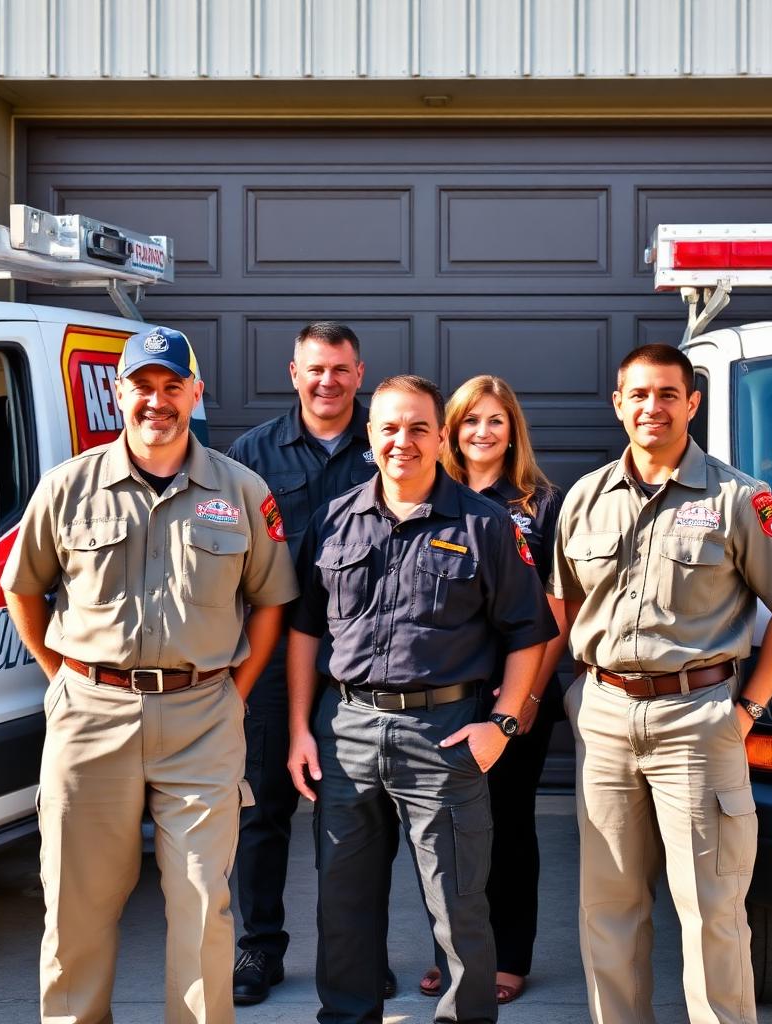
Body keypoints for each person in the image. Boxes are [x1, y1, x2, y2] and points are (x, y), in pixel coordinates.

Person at [1, 326, 299, 1024]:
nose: (156, 401)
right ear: (118, 392)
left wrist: (234, 693)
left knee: (202, 905)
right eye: (142, 386)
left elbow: (270, 602)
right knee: (75, 905)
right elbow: (23, 587)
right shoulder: (68, 487)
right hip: (89, 717)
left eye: (172, 386)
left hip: (202, 720)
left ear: (196, 394)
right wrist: (63, 678)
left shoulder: (242, 491)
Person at [550, 343, 772, 1024]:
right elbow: (565, 604)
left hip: (698, 719)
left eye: (668, 394)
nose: (653, 407)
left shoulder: (738, 498)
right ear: (618, 404)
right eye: (638, 394)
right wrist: (582, 694)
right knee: (608, 907)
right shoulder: (584, 499)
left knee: (711, 910)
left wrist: (747, 708)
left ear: (692, 403)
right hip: (605, 721)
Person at [287, 374, 559, 1024]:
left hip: (444, 732)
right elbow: (304, 631)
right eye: (389, 428)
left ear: (440, 438)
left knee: (458, 902)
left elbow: (531, 632)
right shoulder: (334, 519)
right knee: (343, 901)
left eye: (418, 428)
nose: (402, 441)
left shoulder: (486, 524)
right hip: (346, 730)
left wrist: (502, 723)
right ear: (370, 436)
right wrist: (300, 728)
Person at [225, 321, 388, 1005]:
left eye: (341, 369)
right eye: (315, 369)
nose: (328, 381)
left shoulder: (386, 442)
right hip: (271, 658)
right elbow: (230, 556)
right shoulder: (252, 453)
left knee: (359, 819)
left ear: (359, 373)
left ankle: (359, 956)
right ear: (293, 373)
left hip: (363, 660)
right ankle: (258, 949)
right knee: (262, 812)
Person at [417, 375, 567, 1005]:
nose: (483, 432)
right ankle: (451, 954)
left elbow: (558, 607)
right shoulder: (429, 494)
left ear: (513, 432)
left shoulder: (542, 504)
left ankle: (508, 956)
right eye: (471, 420)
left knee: (507, 825)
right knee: (443, 829)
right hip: (449, 690)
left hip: (517, 692)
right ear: (451, 431)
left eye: (496, 421)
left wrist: (527, 696)